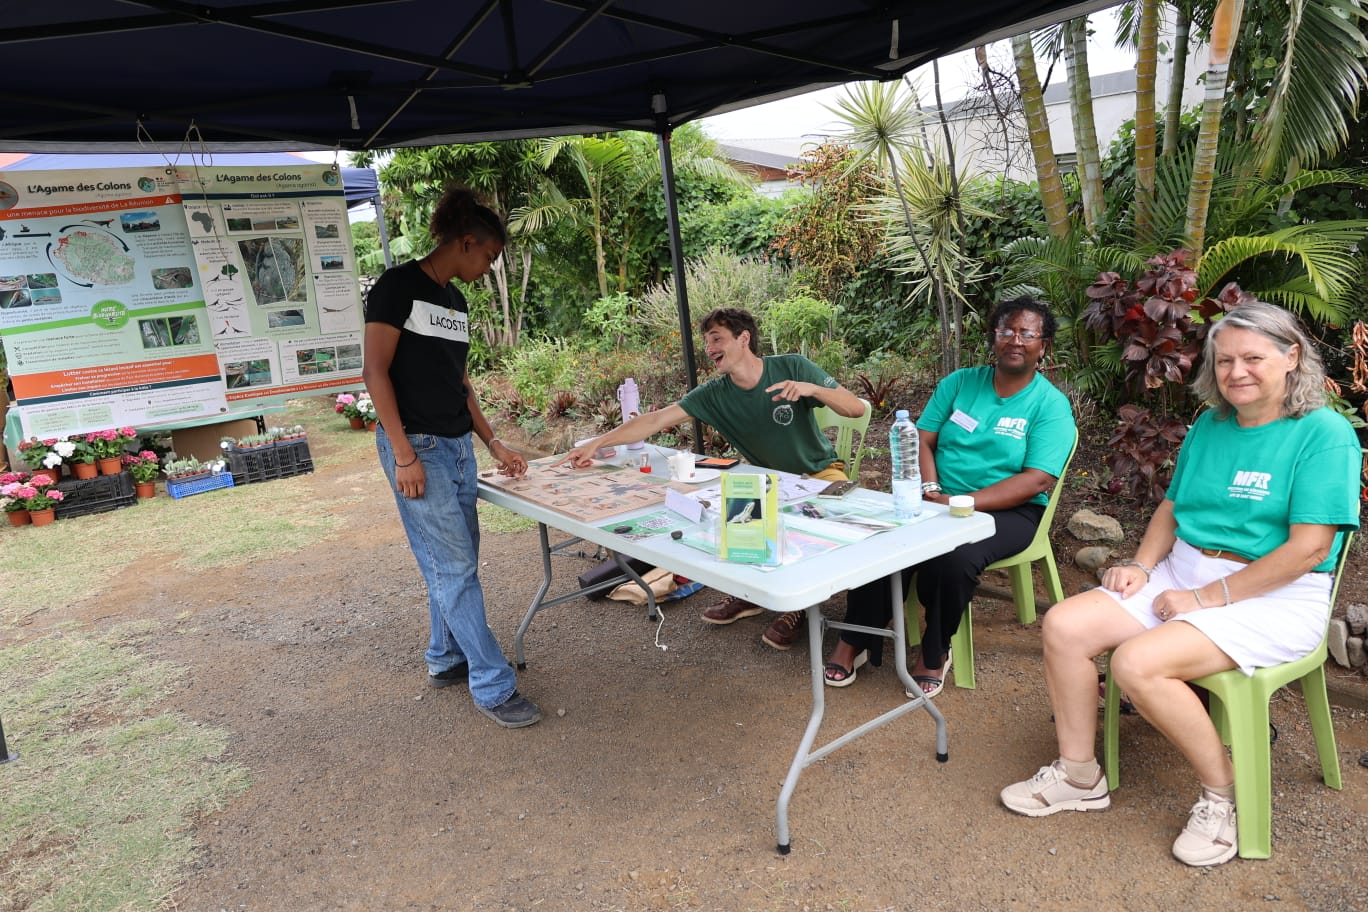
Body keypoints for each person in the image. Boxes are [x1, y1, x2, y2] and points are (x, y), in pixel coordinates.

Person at [1000, 300, 1360, 867]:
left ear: (1292, 357)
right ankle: (1079, 775)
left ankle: (1226, 796)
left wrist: (1204, 599)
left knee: (1137, 663)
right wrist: (1143, 566)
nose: (1236, 371)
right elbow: (1173, 506)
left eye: (1253, 358)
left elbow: (1309, 549)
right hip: (1183, 571)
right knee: (1065, 625)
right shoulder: (1211, 426)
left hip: (1276, 593)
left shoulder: (1323, 433)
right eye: (1224, 360)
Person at [566, 307, 866, 649]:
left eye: (716, 339)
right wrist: (597, 443)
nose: (709, 349)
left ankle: (799, 606)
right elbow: (655, 420)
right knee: (724, 508)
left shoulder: (792, 367)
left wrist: (811, 389)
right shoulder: (714, 393)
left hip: (819, 473)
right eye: (707, 342)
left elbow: (855, 408)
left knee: (798, 522)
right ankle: (749, 593)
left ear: (743, 338)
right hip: (767, 480)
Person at [822, 297, 1075, 697]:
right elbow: (923, 439)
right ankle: (857, 636)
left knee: (953, 558)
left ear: (1043, 347)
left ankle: (936, 648)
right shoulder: (959, 383)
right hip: (936, 496)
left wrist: (964, 503)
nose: (1015, 340)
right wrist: (931, 490)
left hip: (1009, 510)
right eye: (1006, 330)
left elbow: (1036, 480)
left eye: (1027, 333)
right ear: (993, 337)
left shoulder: (1050, 405)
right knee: (880, 539)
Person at [362, 186, 542, 729]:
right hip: (418, 448)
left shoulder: (455, 303)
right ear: (466, 242)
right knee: (456, 568)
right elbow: (374, 371)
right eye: (489, 255)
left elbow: (459, 383)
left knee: (453, 565)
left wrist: (492, 441)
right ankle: (493, 683)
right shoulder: (397, 287)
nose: (489, 268)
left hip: (458, 448)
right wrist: (403, 455)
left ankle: (445, 657)